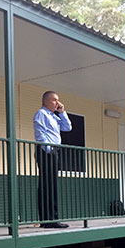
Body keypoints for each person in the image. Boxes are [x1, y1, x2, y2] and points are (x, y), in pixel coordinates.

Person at [34, 91, 72, 228]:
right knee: (47, 185)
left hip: (53, 151)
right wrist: (49, 150)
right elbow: (40, 134)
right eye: (55, 100)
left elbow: (68, 127)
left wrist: (62, 112)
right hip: (46, 151)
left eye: (58, 100)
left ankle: (52, 218)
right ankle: (47, 219)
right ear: (46, 101)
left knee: (52, 185)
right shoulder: (41, 114)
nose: (58, 103)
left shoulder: (54, 117)